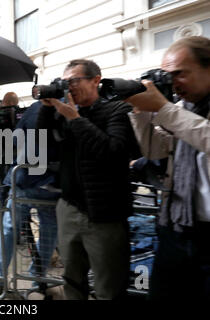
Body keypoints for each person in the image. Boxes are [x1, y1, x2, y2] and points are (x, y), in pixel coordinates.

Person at [37, 59, 140, 299]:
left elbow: (113, 152)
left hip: (106, 215)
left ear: (96, 80)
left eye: (74, 80)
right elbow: (41, 145)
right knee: (72, 281)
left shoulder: (118, 109)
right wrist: (47, 108)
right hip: (69, 209)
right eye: (65, 83)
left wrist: (75, 119)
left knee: (109, 287)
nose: (69, 87)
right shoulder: (66, 112)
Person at [126, 36, 210, 300]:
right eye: (167, 75)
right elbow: (154, 151)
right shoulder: (181, 109)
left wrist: (164, 109)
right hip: (176, 223)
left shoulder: (176, 113)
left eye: (179, 74)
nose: (172, 82)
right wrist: (140, 112)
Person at [0, 100, 60, 289]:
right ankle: (37, 278)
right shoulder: (73, 110)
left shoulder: (36, 107)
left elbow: (14, 139)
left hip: (24, 178)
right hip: (52, 184)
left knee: (9, 228)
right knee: (49, 232)